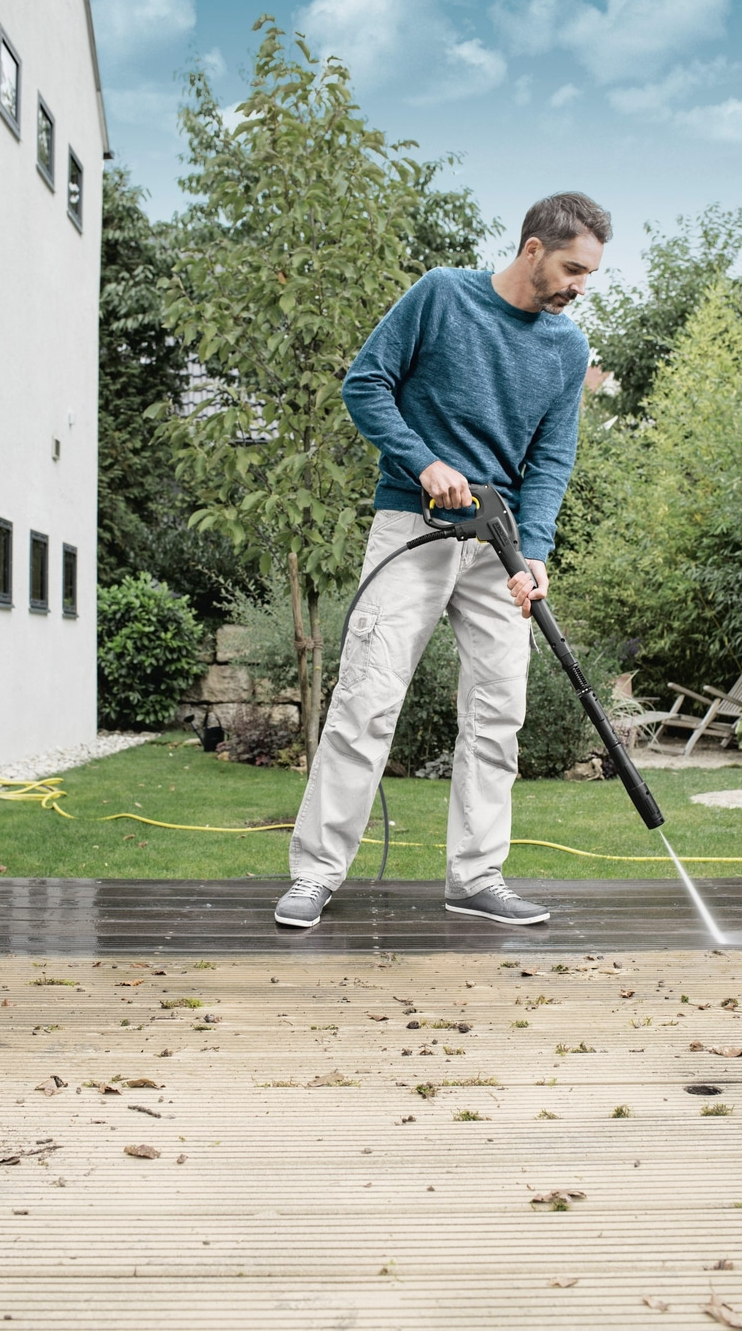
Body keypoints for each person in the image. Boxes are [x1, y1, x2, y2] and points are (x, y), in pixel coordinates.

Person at [274, 191, 611, 929]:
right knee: (366, 699)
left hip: (499, 545)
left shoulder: (565, 348)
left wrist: (537, 552)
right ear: (533, 250)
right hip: (413, 526)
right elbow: (364, 384)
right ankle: (316, 872)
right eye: (573, 268)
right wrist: (423, 461)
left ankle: (477, 875)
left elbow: (553, 458)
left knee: (499, 713)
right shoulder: (441, 295)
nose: (580, 285)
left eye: (589, 273)